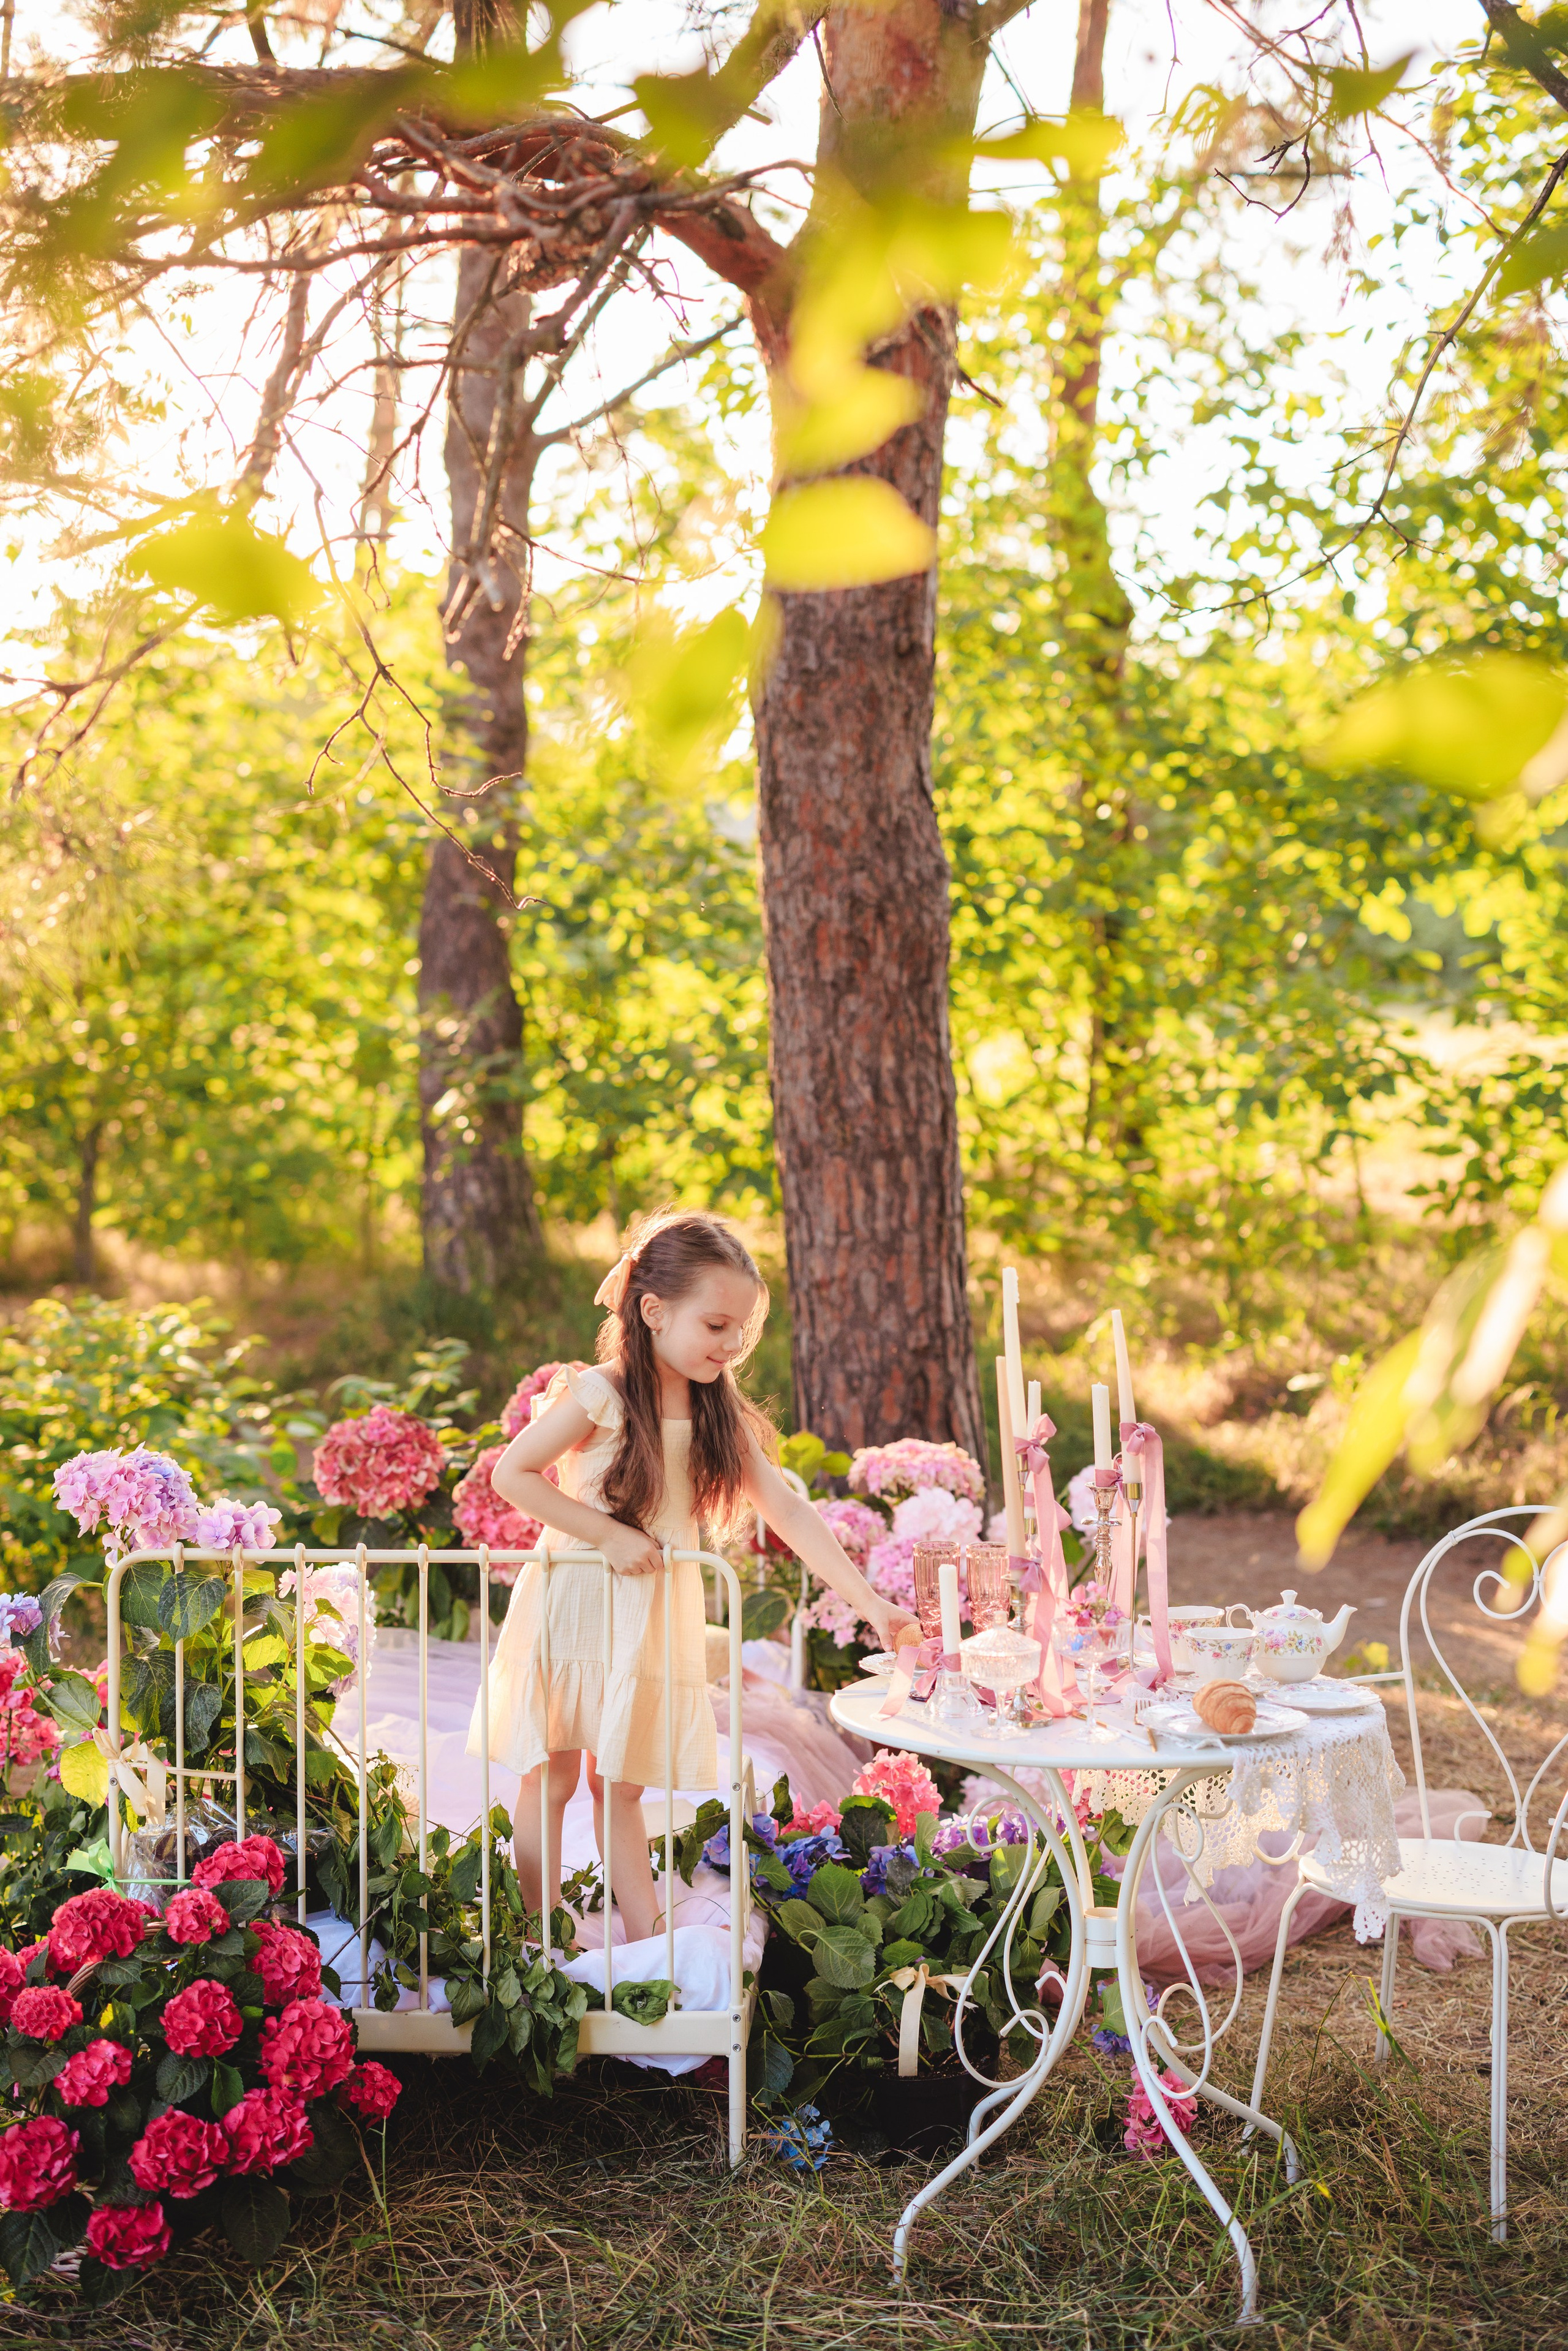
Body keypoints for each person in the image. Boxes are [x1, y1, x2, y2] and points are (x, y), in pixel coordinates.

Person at [471, 1209, 919, 1942]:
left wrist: (873, 1603)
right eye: (715, 1326)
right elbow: (513, 1475)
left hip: (648, 1615)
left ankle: (646, 1941)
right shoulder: (598, 1395)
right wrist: (608, 1535)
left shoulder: (719, 1414)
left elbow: (790, 1511)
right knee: (549, 1776)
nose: (732, 1343)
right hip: (574, 1600)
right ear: (652, 1311)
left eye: (739, 1329)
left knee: (621, 1782)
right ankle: (535, 1935)